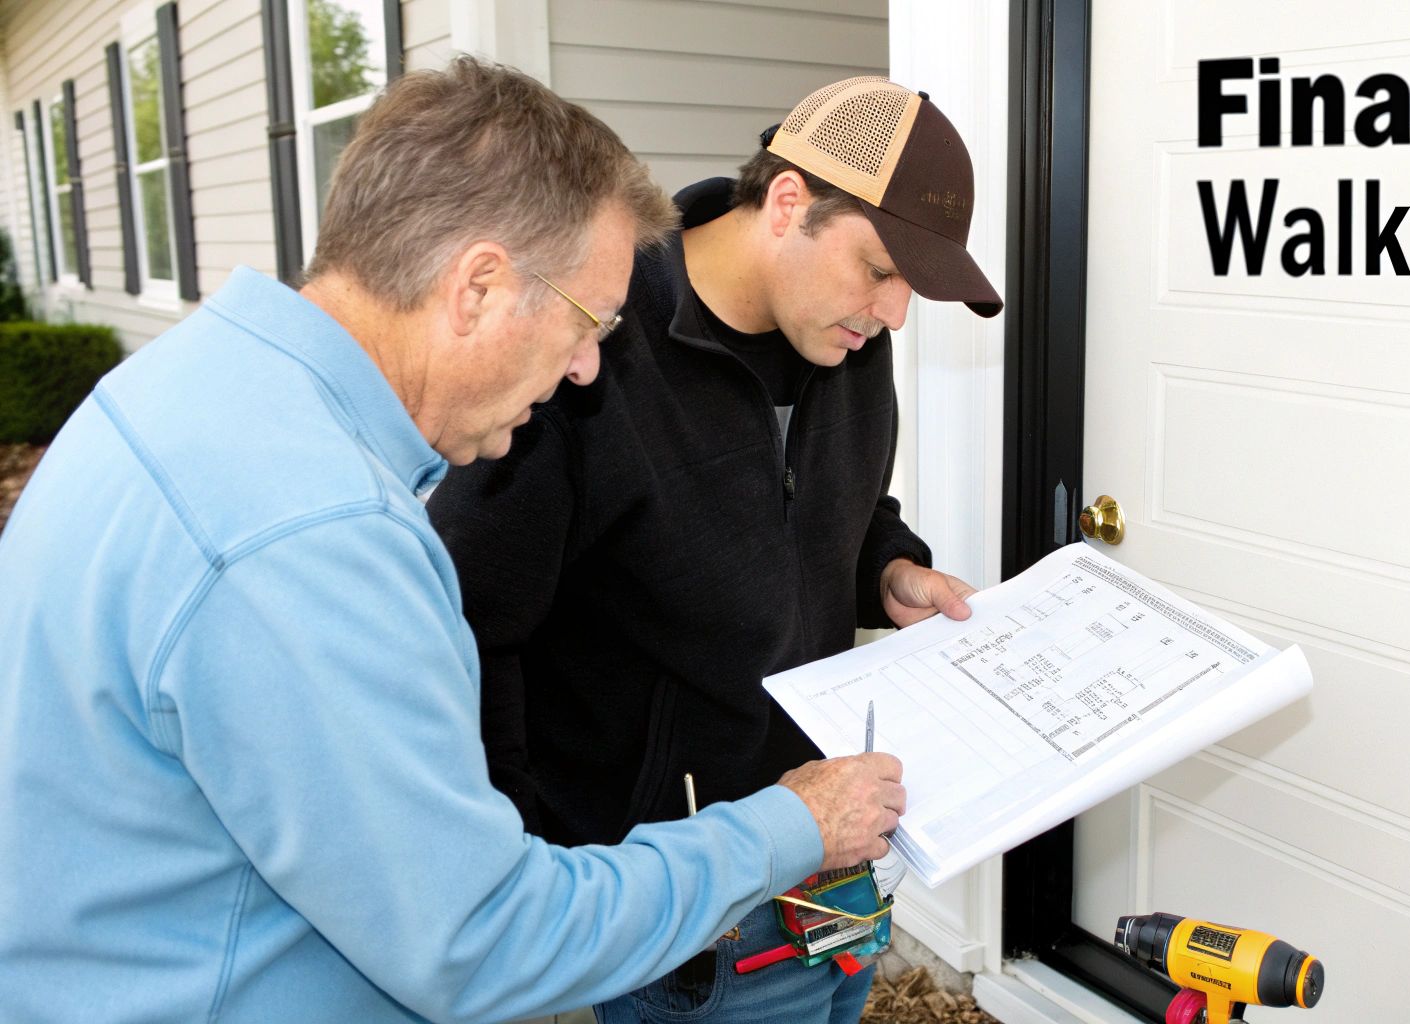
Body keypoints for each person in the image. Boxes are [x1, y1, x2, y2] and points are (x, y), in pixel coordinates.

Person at [0, 58, 905, 1024]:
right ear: (477, 287)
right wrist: (792, 825)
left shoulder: (187, 384)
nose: (590, 369)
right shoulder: (311, 539)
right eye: (587, 323)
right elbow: (479, 939)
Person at [427, 77, 1003, 1024]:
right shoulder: (592, 345)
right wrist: (537, 859)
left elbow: (838, 503)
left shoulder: (843, 337)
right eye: (880, 269)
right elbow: (470, 623)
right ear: (789, 204)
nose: (894, 313)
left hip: (832, 853)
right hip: (681, 905)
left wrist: (888, 567)